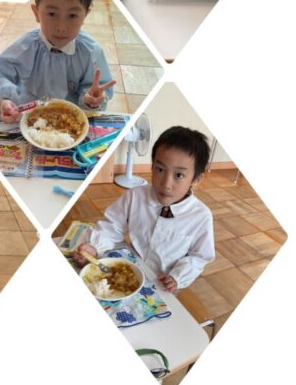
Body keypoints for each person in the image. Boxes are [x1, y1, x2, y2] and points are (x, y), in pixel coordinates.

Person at [73, 126, 215, 293]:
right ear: (152, 166)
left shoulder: (201, 216)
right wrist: (94, 248)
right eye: (160, 170)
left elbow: (200, 256)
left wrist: (178, 277)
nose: (166, 184)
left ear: (196, 179)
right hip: (131, 269)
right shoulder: (135, 195)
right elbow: (111, 226)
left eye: (179, 175)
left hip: (165, 283)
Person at [0, 0, 116, 123]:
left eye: (72, 16)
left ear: (85, 15)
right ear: (36, 13)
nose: (61, 27)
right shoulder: (27, 45)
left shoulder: (91, 51)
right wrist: (4, 100)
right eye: (52, 14)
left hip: (70, 120)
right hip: (30, 114)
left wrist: (92, 99)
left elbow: (96, 89)